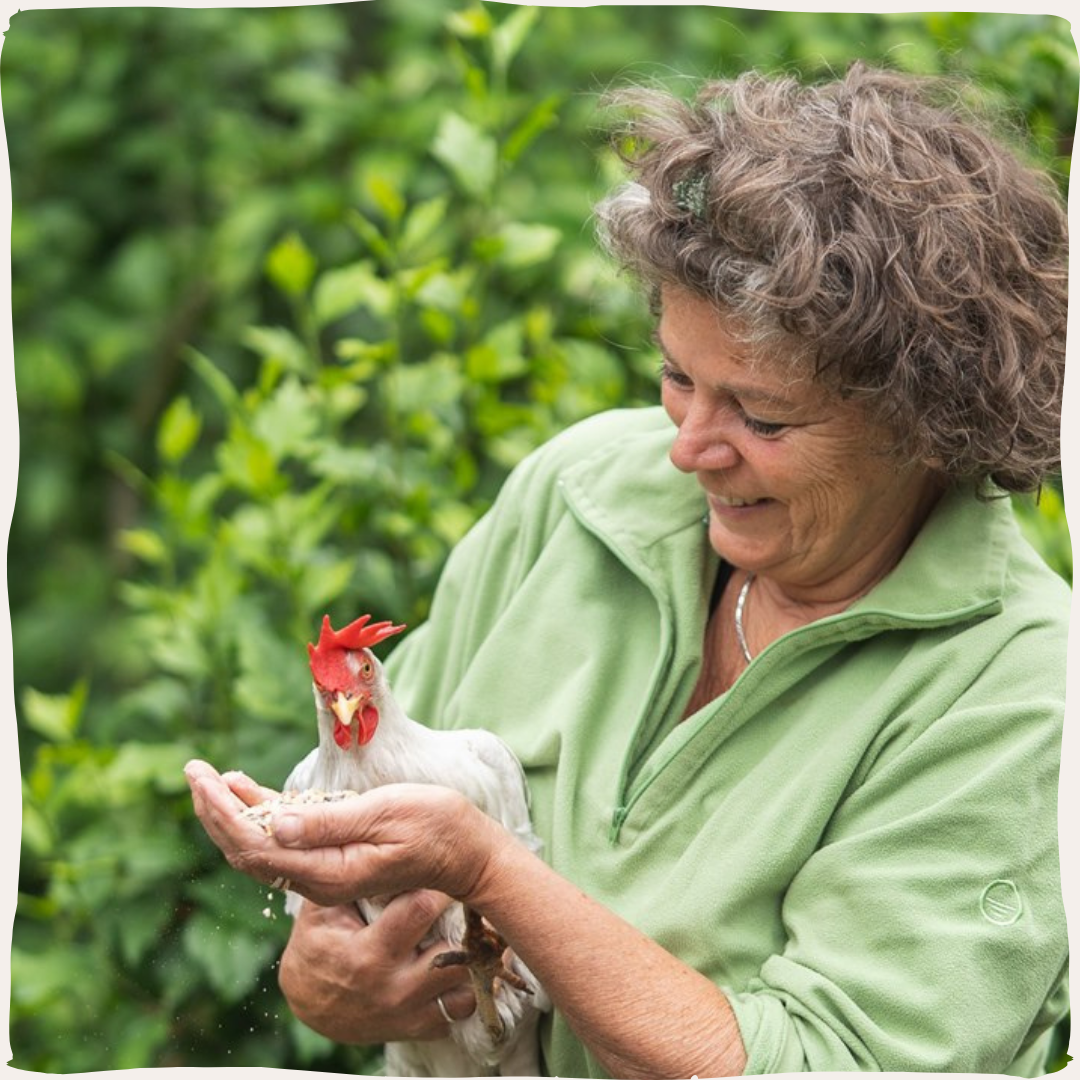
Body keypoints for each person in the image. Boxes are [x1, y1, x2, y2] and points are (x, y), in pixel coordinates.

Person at [186, 62, 1071, 1077]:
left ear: (926, 421)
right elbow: (381, 876)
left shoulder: (1019, 688)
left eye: (761, 415)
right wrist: (331, 978)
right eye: (675, 375)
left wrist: (493, 873)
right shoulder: (581, 491)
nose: (689, 446)